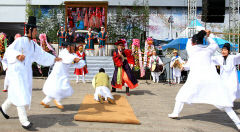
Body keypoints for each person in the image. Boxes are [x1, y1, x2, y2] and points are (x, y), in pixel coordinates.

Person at [168, 30, 240, 130]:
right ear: (202, 41)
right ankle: (238, 123)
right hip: (211, 80)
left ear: (193, 42)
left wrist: (202, 33)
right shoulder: (209, 49)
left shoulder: (191, 49)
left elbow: (189, 41)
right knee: (225, 103)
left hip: (195, 80)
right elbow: (214, 44)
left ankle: (175, 113)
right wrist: (207, 35)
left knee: (181, 96)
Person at [0, 16, 61, 129]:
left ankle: (3, 107)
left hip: (25, 74)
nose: (36, 33)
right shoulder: (20, 41)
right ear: (29, 30)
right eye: (35, 30)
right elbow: (9, 50)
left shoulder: (33, 45)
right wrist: (18, 55)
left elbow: (41, 55)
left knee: (17, 94)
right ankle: (24, 121)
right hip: (17, 72)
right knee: (21, 94)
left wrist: (54, 59)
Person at [41, 44, 85, 110]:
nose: (73, 49)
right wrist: (74, 59)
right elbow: (67, 58)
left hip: (63, 72)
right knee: (62, 87)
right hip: (59, 72)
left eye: (74, 48)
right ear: (68, 47)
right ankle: (57, 100)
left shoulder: (73, 54)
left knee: (54, 88)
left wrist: (79, 61)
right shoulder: (64, 52)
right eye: (72, 48)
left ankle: (45, 101)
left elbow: (79, 61)